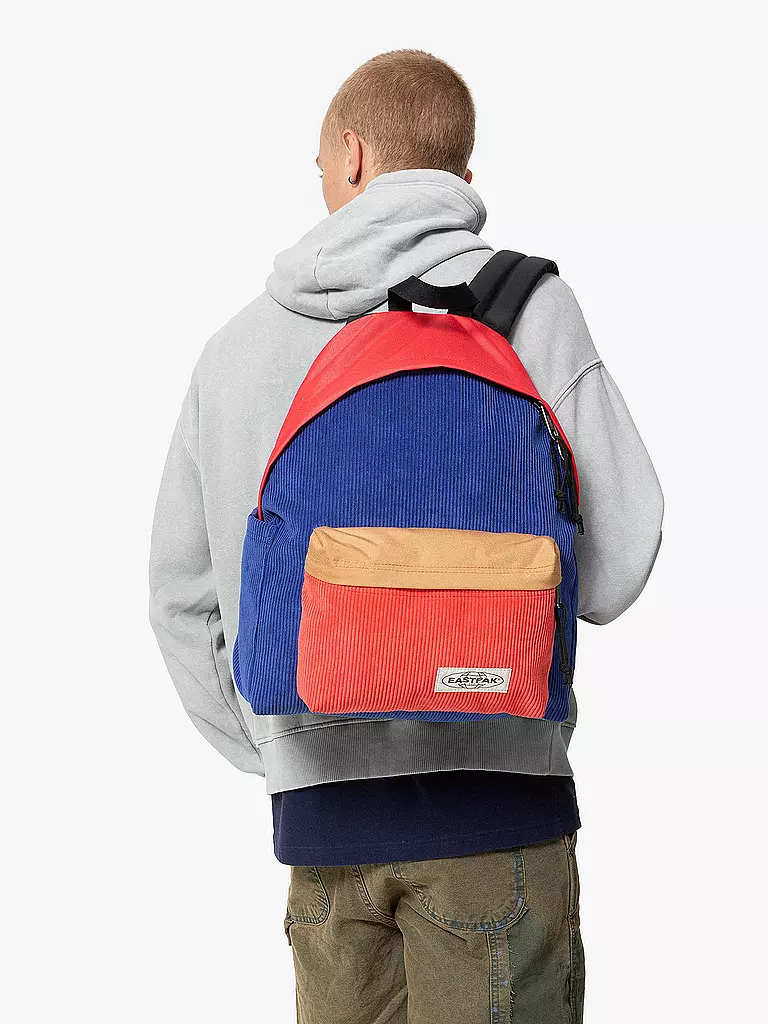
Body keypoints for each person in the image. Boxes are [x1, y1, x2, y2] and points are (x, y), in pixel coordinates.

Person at [149, 49, 663, 1024]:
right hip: (500, 820)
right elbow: (619, 565)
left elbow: (181, 597)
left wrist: (284, 747)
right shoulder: (529, 308)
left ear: (350, 155)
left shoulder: (237, 349)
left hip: (322, 831)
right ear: (461, 177)